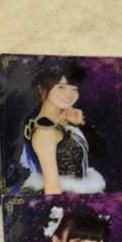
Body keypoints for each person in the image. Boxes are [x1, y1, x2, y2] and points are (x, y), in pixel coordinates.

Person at [19, 61, 106, 194]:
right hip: (65, 198)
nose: (69, 94)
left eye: (74, 89)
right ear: (41, 89)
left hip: (82, 193)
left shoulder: (67, 120)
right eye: (61, 87)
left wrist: (81, 123)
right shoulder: (45, 131)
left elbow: (102, 150)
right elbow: (52, 187)